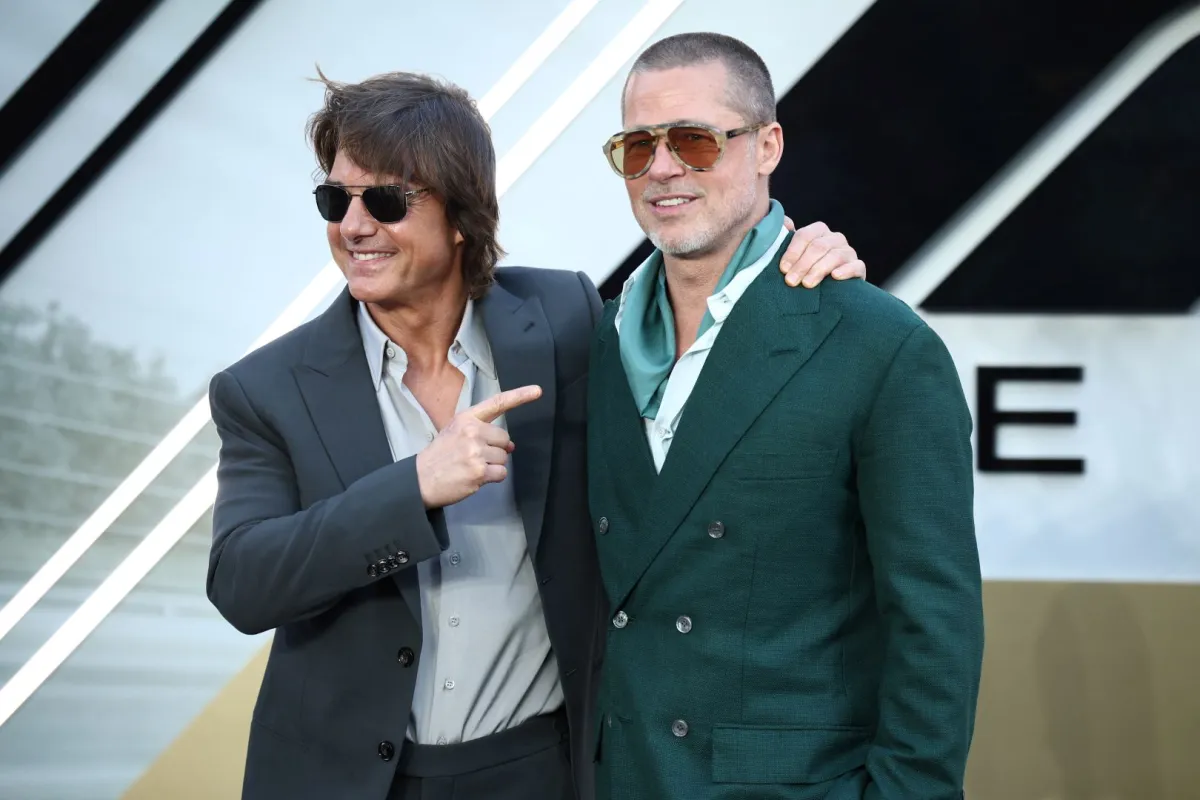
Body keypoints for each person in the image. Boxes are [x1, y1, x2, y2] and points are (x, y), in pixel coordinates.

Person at [205, 69, 865, 800]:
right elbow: (242, 582)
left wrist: (798, 258)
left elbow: (700, 322)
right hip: (345, 781)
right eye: (336, 200)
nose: (353, 226)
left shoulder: (565, 317)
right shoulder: (265, 388)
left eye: (386, 201)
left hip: (541, 770)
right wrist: (413, 488)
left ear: (461, 214)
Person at [587, 32, 984, 800]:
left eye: (694, 141)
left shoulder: (878, 344)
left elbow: (934, 623)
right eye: (637, 147)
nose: (661, 168)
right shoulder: (598, 342)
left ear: (766, 145)